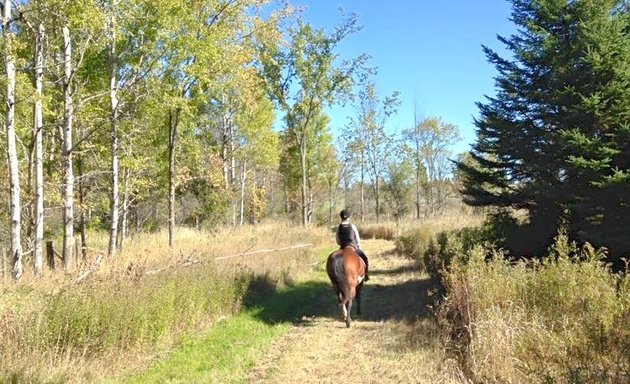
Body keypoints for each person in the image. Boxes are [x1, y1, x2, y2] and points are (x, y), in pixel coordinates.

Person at [336, 209, 369, 281]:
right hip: (353, 246)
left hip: (343, 247)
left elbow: (338, 240)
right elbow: (357, 239)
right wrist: (358, 246)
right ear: (349, 218)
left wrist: (342, 244)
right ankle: (366, 274)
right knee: (365, 258)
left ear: (341, 217)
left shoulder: (338, 228)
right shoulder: (353, 226)